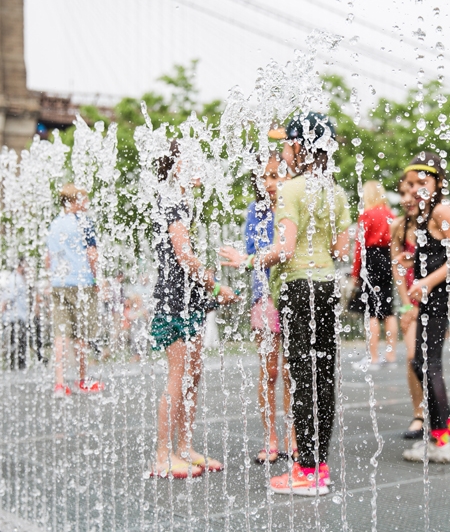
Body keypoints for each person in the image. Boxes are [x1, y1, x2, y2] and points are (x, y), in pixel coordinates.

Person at [221, 112, 351, 495]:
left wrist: (246, 260)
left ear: (300, 146)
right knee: (323, 377)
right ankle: (319, 466)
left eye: (286, 143)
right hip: (327, 287)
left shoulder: (292, 190)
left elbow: (285, 249)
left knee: (301, 377)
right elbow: (341, 249)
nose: (282, 151)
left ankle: (304, 473)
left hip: (299, 287)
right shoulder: (336, 191)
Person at [148, 140, 237, 479]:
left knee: (192, 375)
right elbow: (182, 255)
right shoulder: (171, 200)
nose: (202, 166)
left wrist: (207, 285)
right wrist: (216, 286)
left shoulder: (182, 201)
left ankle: (184, 447)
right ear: (177, 167)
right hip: (174, 301)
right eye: (193, 161)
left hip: (189, 300)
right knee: (178, 376)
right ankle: (162, 455)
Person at [401, 152, 450, 464]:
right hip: (431, 294)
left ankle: (442, 440)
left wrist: (428, 280)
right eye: (413, 183)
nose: (416, 188)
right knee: (420, 363)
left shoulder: (442, 209)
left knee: (428, 364)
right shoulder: (425, 211)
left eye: (423, 181)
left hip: (440, 294)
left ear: (438, 182)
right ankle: (446, 428)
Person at [244, 151, 297, 465]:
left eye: (275, 175)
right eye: (264, 177)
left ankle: (292, 434)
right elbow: (253, 254)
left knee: (291, 371)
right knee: (269, 371)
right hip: (265, 295)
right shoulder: (257, 211)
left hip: (291, 292)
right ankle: (270, 436)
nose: (269, 182)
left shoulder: (295, 207)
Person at [46, 185, 104, 396]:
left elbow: (48, 258)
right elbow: (92, 254)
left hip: (58, 284)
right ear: (73, 202)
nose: (86, 204)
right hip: (81, 283)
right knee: (82, 333)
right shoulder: (83, 222)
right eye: (82, 200)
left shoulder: (53, 225)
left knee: (60, 335)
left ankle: (59, 384)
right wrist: (98, 279)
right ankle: (82, 380)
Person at [391, 177, 425, 439]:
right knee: (413, 357)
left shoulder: (434, 224)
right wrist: (406, 306)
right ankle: (419, 413)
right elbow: (398, 269)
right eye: (401, 193)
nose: (406, 198)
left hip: (432, 300)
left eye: (409, 192)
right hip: (410, 304)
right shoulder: (399, 228)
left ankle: (437, 412)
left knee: (430, 360)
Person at [353, 180, 399, 370]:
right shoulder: (391, 215)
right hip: (387, 259)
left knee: (371, 311)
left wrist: (356, 272)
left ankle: (373, 357)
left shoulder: (366, 216)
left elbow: (360, 247)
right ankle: (391, 355)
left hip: (370, 259)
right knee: (388, 311)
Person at [1, 259, 29, 370]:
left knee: (19, 343)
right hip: (15, 317)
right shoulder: (15, 279)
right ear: (20, 266)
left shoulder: (18, 279)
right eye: (25, 266)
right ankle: (16, 367)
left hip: (18, 316)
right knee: (17, 343)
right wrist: (2, 309)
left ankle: (17, 366)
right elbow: (9, 297)